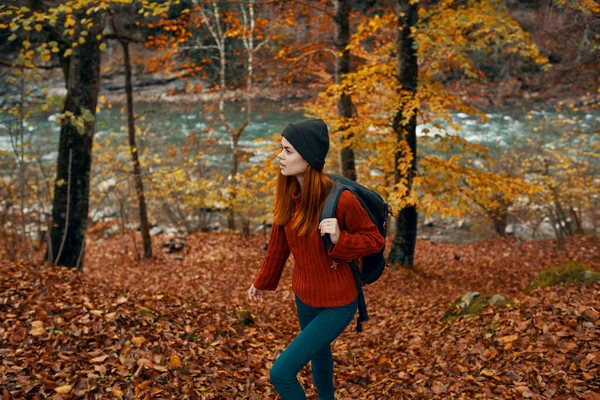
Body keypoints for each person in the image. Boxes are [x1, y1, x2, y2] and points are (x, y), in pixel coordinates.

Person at [247, 118, 385, 400]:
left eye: (287, 151)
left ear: (308, 158)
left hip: (338, 303)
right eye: (281, 149)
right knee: (319, 357)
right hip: (304, 296)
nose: (279, 156)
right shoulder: (289, 192)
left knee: (281, 373)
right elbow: (278, 245)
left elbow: (375, 241)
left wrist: (341, 239)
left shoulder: (341, 200)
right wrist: (262, 282)